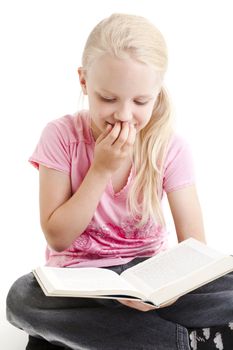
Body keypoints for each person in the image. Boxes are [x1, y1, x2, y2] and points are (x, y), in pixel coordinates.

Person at [6, 13, 233, 350]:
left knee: (224, 283)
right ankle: (182, 341)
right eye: (108, 99)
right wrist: (99, 170)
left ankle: (88, 336)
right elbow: (57, 238)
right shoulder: (60, 136)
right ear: (83, 82)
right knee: (22, 297)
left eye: (140, 101)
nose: (124, 114)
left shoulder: (170, 147)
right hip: (80, 284)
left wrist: (166, 293)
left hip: (149, 277)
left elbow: (195, 251)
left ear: (157, 93)